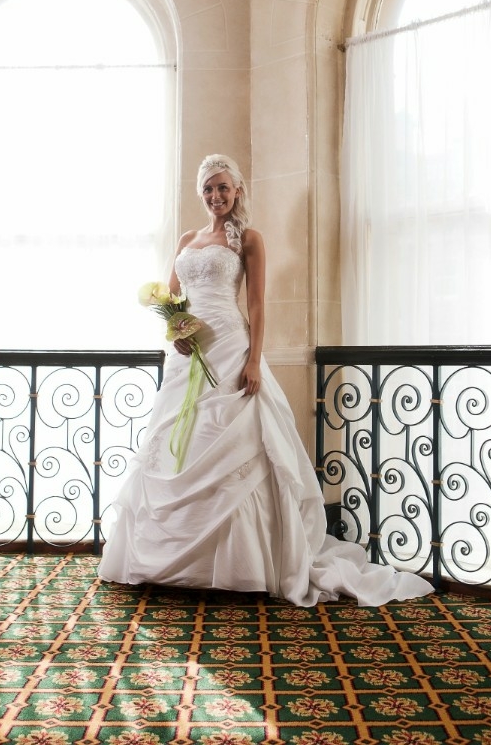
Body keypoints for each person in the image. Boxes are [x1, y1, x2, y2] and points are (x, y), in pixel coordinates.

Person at [98, 154, 433, 606]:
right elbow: (172, 297)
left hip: (231, 348)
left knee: (233, 446)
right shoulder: (187, 239)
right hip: (189, 356)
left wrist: (254, 361)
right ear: (200, 194)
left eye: (223, 187)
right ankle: (164, 559)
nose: (215, 196)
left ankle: (243, 566)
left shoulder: (250, 239)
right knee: (177, 444)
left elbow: (256, 304)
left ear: (237, 190)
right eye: (208, 189)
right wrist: (175, 331)